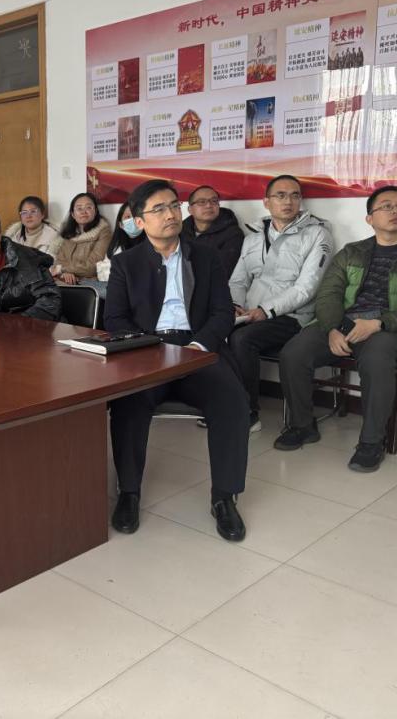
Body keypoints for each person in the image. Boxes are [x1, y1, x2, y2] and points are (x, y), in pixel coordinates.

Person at [105, 179, 249, 542]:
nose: (170, 214)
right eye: (158, 209)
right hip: (148, 350)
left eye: (173, 205)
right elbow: (115, 320)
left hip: (196, 348)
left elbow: (222, 312)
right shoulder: (125, 263)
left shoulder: (205, 256)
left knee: (232, 399)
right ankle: (129, 492)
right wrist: (149, 350)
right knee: (128, 401)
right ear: (139, 221)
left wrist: (199, 346)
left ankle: (224, 497)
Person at [276, 186, 397, 472]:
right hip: (343, 324)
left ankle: (371, 442)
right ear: (370, 218)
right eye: (386, 206)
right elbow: (328, 294)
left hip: (389, 329)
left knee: (377, 360)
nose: (396, 211)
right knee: (294, 353)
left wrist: (379, 323)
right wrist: (332, 328)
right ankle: (302, 426)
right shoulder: (351, 252)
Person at [227, 175, 332, 431]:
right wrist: (235, 307)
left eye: (295, 195)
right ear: (266, 202)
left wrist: (265, 310)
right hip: (250, 313)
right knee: (213, 329)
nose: (289, 201)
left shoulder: (317, 234)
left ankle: (246, 413)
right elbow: (238, 280)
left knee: (242, 339)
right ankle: (221, 405)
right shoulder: (252, 238)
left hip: (293, 316)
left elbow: (306, 288)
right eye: (281, 195)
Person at [180, 186, 244, 280]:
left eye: (214, 201)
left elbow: (222, 272)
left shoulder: (232, 234)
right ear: (190, 209)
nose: (209, 205)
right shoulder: (180, 231)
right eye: (202, 202)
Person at [51, 193, 112, 286]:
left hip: (90, 282)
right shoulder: (68, 233)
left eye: (88, 207)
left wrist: (62, 269)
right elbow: (59, 261)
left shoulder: (104, 232)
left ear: (95, 211)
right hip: (65, 280)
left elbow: (93, 266)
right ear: (73, 214)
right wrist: (65, 273)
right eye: (79, 208)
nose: (84, 212)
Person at [96, 202, 145, 283]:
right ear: (120, 224)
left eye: (136, 215)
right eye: (128, 217)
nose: (133, 220)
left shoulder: (154, 243)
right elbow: (104, 274)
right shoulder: (115, 247)